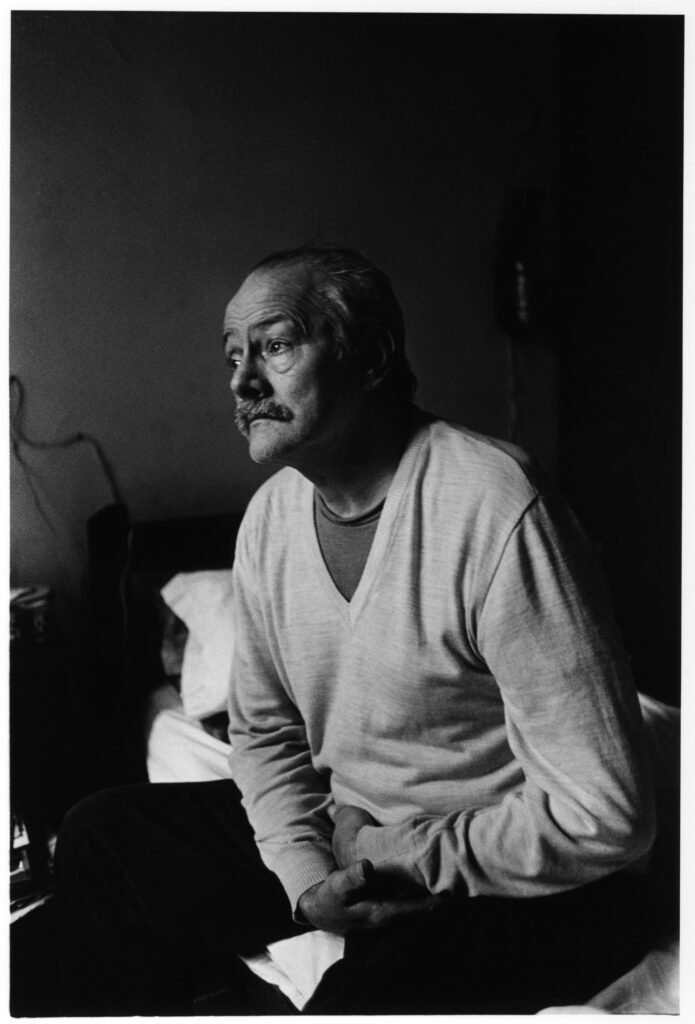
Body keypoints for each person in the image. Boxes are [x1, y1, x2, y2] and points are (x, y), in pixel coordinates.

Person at [53, 247, 655, 1015]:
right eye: (233, 356)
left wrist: (388, 851)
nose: (241, 382)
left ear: (370, 357)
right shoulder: (270, 520)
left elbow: (606, 817)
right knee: (103, 836)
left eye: (274, 345)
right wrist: (309, 881)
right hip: (359, 838)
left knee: (363, 999)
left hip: (527, 877)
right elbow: (264, 734)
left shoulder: (495, 505)